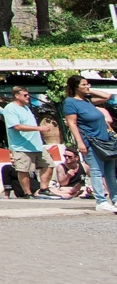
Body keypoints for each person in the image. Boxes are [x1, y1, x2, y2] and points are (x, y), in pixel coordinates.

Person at [62, 75, 117, 211]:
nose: (87, 87)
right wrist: (80, 142)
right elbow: (72, 123)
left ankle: (115, 199)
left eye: (88, 84)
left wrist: (88, 91)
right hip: (91, 141)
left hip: (105, 141)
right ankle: (101, 201)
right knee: (96, 171)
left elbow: (107, 96)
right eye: (84, 85)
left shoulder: (87, 100)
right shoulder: (70, 102)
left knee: (110, 171)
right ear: (75, 87)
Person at [2, 86, 46, 199]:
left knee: (48, 164)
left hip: (36, 144)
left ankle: (44, 189)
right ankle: (28, 193)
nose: (28, 97)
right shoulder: (10, 108)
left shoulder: (26, 108)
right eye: (25, 95)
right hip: (21, 145)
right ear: (17, 95)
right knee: (24, 170)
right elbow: (16, 126)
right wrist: (39, 128)